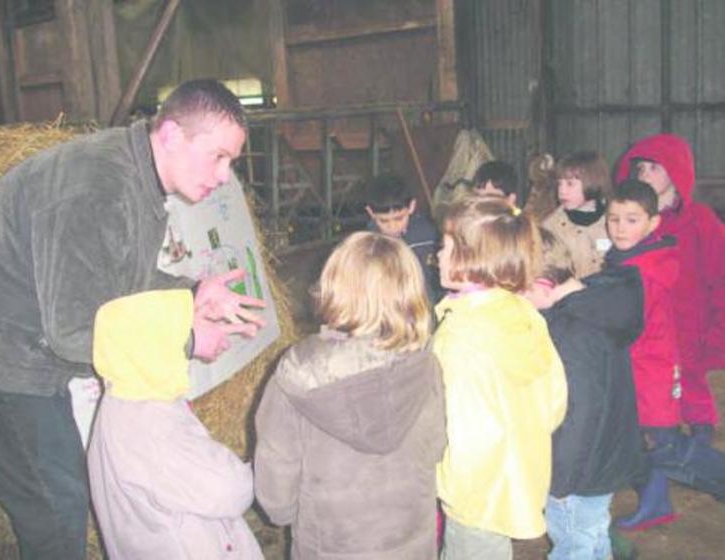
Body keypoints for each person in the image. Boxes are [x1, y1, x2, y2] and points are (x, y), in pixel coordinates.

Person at [0, 79, 266, 559]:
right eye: (218, 157)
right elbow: (74, 331)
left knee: (63, 488)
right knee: (56, 505)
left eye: (231, 162)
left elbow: (119, 280)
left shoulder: (134, 175)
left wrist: (192, 294)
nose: (224, 176)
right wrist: (188, 340)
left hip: (30, 342)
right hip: (2, 353)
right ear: (172, 134)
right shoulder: (98, 187)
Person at [254, 231, 445, 559]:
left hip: (331, 544)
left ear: (334, 287)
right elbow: (437, 445)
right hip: (410, 539)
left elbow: (277, 462)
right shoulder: (424, 361)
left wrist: (281, 512)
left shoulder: (300, 370)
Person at [434, 195, 567, 560]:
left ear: (472, 257)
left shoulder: (460, 334)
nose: (438, 256)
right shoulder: (524, 313)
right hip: (520, 476)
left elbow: (456, 426)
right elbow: (555, 402)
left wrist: (442, 479)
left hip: (475, 493)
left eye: (446, 247)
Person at [88, 289, 264, 559]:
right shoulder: (149, 425)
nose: (185, 344)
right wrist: (262, 467)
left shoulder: (122, 396)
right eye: (177, 335)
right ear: (151, 351)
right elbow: (227, 490)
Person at [605, 180, 725, 531]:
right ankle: (655, 503)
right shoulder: (627, 259)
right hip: (636, 372)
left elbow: (628, 322)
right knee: (642, 444)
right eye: (614, 219)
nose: (620, 228)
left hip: (651, 376)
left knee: (665, 447)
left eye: (631, 220)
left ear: (653, 223)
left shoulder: (644, 269)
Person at [524, 229, 645, 559]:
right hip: (605, 459)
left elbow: (581, 413)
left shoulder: (572, 333)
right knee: (591, 537)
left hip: (578, 473)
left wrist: (561, 482)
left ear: (543, 286)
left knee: (573, 544)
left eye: (521, 295)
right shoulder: (596, 305)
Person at [615, 133, 725, 443]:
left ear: (676, 172)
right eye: (640, 168)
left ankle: (702, 446)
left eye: (654, 167)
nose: (644, 174)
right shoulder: (630, 222)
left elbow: (721, 275)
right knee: (649, 396)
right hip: (646, 329)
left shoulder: (701, 221)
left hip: (690, 328)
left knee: (692, 390)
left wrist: (717, 330)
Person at [365, 173, 443, 305]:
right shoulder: (368, 244)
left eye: (399, 218)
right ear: (371, 213)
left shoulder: (428, 236)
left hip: (427, 307)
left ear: (411, 207)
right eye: (383, 221)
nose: (392, 227)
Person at [542, 151, 613, 278]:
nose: (561, 191)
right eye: (559, 184)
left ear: (592, 182)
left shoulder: (615, 221)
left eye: (570, 184)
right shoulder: (550, 227)